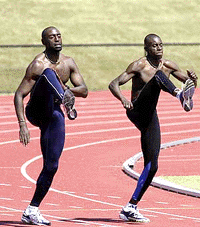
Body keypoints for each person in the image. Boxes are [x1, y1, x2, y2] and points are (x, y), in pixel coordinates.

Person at [108, 34, 197, 223]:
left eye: (160, 45)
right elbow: (113, 83)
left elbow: (187, 83)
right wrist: (123, 99)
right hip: (136, 110)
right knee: (158, 77)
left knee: (153, 165)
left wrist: (193, 81)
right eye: (154, 46)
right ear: (146, 49)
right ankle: (179, 96)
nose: (158, 48)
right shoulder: (139, 66)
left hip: (150, 115)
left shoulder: (169, 65)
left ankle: (130, 207)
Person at [14, 26, 88, 225]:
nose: (56, 39)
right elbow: (20, 94)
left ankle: (32, 210)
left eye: (58, 36)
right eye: (51, 37)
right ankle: (64, 98)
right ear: (44, 42)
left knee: (52, 165)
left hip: (54, 114)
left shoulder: (69, 62)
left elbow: (84, 90)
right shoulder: (38, 64)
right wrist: (22, 124)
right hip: (37, 109)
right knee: (48, 73)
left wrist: (68, 89)